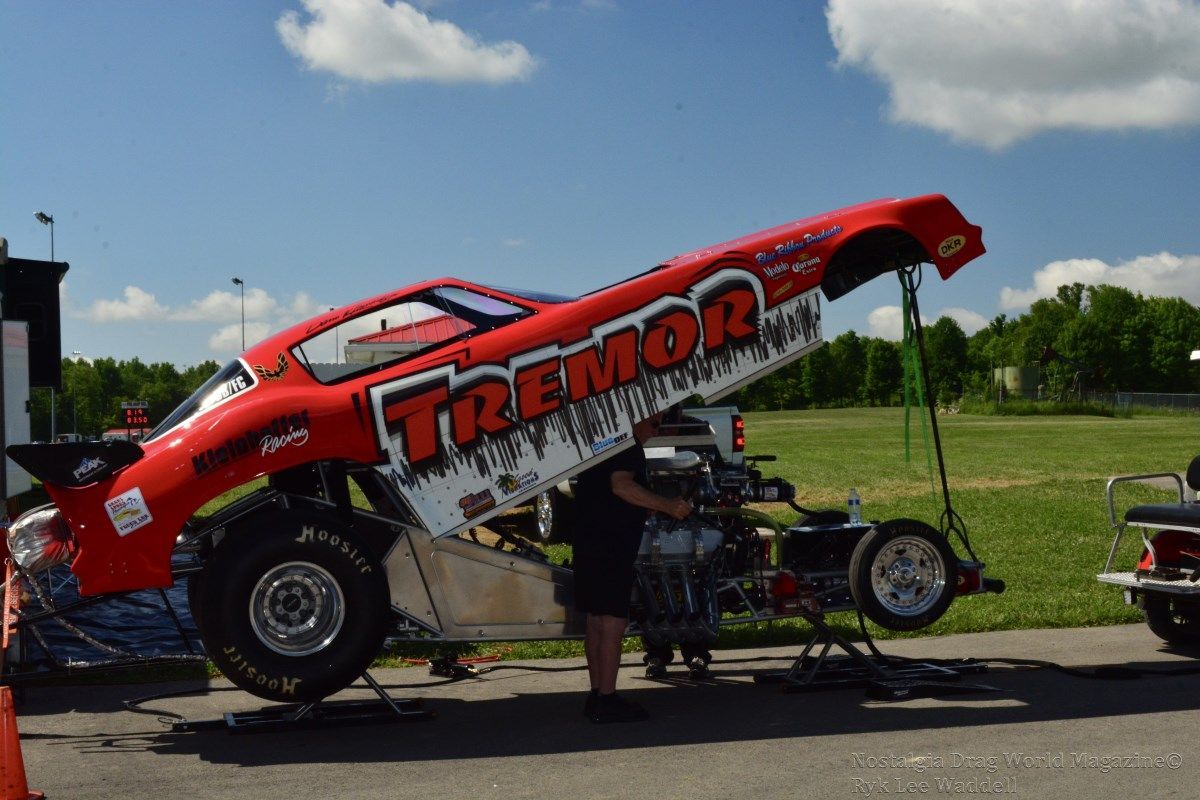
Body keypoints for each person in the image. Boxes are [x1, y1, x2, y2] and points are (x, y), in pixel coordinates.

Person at [572, 410, 692, 723]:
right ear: (635, 418)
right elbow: (621, 486)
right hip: (610, 544)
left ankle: (597, 695)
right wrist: (667, 505)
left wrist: (646, 508)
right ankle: (607, 699)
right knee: (613, 621)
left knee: (596, 619)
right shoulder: (626, 446)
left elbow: (606, 491)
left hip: (589, 539)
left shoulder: (602, 443)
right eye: (654, 423)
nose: (656, 430)